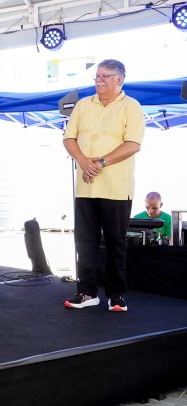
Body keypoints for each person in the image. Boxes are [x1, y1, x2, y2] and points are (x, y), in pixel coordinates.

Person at [62, 59, 145, 312]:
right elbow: (69, 138)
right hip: (86, 188)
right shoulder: (83, 105)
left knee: (115, 243)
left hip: (116, 188)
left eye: (105, 76)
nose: (99, 80)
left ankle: (116, 295)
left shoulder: (131, 106)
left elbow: (133, 144)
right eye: (97, 76)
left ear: (119, 79)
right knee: (84, 242)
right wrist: (83, 160)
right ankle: (87, 292)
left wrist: (99, 162)